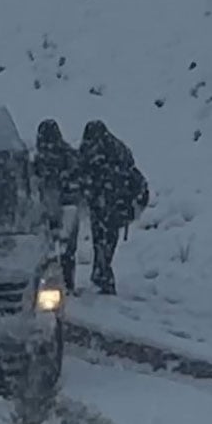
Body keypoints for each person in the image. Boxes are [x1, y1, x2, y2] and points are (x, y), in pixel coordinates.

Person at [77, 120, 149, 295]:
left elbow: (90, 175)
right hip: (109, 205)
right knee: (103, 243)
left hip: (109, 205)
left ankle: (103, 277)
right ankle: (101, 275)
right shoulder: (115, 153)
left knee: (103, 242)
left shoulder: (110, 155)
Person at [34, 118, 83, 292]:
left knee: (48, 250)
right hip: (67, 207)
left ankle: (50, 284)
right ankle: (66, 283)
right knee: (67, 250)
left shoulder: (39, 158)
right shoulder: (69, 155)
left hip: (49, 208)